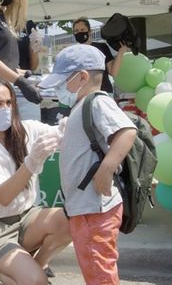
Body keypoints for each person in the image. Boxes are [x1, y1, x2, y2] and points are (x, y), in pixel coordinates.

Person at [39, 44, 137, 285]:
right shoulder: (81, 106)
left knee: (98, 269)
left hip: (96, 207)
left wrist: (107, 168)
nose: (60, 88)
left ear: (82, 77)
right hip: (85, 207)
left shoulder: (97, 101)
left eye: (63, 81)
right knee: (93, 266)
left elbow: (126, 131)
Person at [0, 76, 71, 285]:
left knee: (71, 221)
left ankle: (38, 266)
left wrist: (71, 125)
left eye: (9, 102)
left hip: (25, 217)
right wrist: (31, 162)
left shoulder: (27, 130)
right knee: (35, 282)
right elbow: (2, 196)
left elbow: (63, 134)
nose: (6, 109)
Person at [72, 16, 128, 94]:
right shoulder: (72, 52)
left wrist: (121, 52)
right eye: (76, 31)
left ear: (89, 32)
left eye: (82, 30)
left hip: (104, 92)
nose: (79, 33)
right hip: (83, 94)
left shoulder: (102, 47)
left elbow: (113, 72)